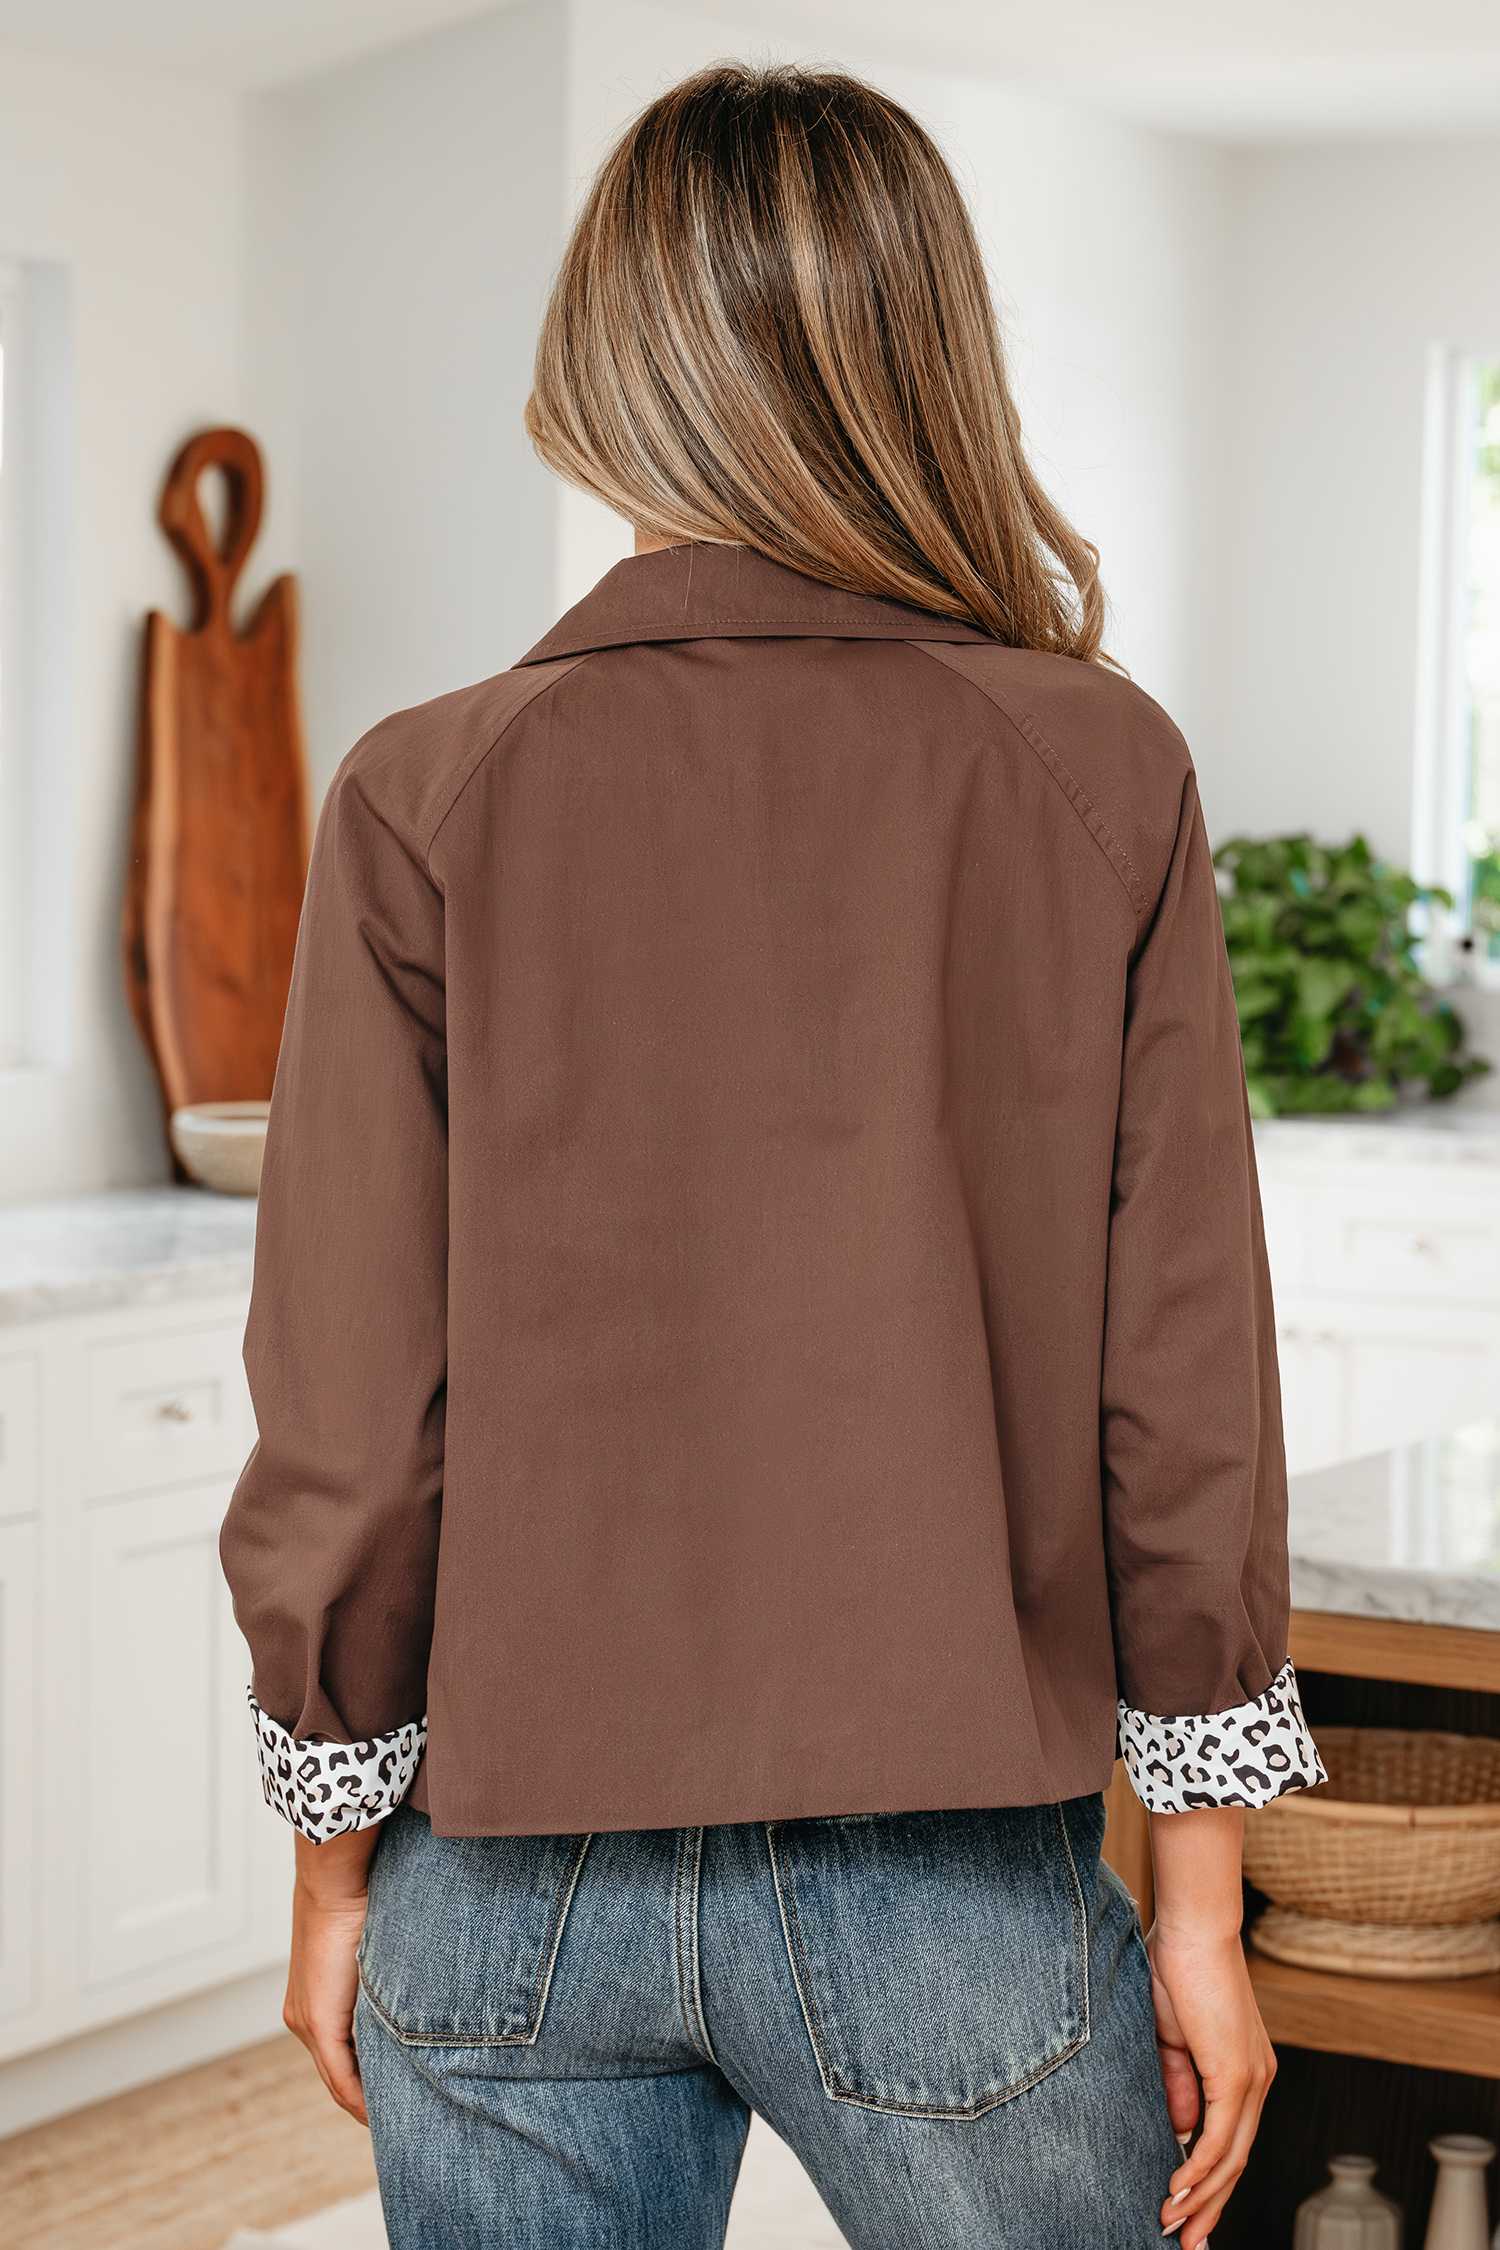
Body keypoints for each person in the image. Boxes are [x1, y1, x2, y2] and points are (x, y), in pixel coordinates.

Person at [221, 61, 1322, 2250]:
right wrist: (1202, 1906)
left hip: (506, 1888)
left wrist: (334, 1871)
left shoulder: (424, 794)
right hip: (953, 1890)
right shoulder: (1098, 773)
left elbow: (351, 1422)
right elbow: (1184, 1395)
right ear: (924, 358)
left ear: (610, 363)